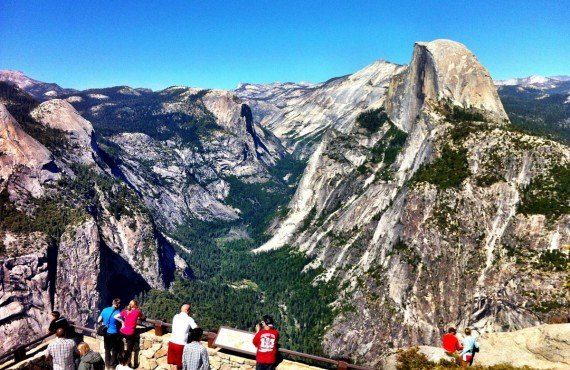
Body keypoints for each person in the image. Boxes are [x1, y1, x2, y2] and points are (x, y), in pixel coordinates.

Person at [115, 299, 145, 368]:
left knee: (119, 345)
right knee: (129, 350)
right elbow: (143, 317)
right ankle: (129, 364)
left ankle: (120, 360)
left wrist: (122, 322)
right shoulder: (137, 312)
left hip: (122, 331)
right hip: (130, 333)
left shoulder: (125, 311)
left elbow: (115, 316)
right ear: (136, 305)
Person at [168, 304, 198, 370]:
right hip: (181, 344)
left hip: (172, 342)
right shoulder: (189, 319)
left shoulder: (175, 316)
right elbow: (197, 329)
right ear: (188, 310)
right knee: (179, 364)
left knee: (173, 363)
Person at [98, 298, 123, 369]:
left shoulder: (105, 310)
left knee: (107, 349)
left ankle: (107, 365)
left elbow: (98, 320)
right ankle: (112, 365)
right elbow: (121, 322)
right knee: (114, 350)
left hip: (106, 332)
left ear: (112, 303)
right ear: (118, 304)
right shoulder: (118, 312)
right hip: (114, 333)